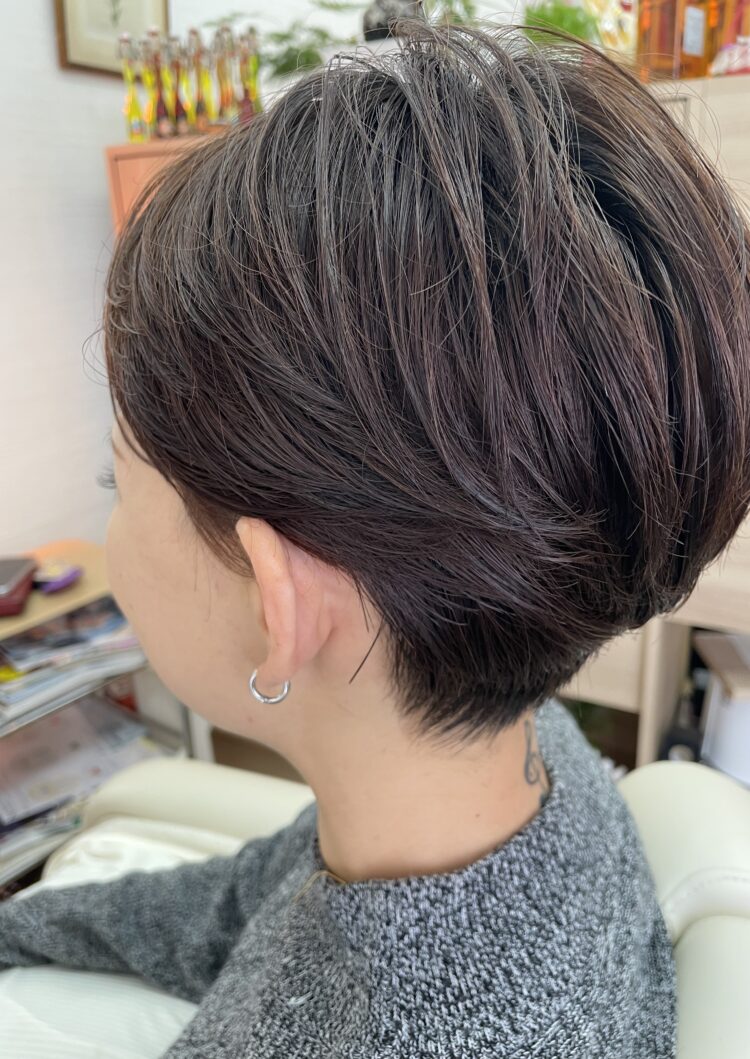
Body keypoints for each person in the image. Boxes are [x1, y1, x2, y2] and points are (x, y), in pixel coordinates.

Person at [2, 19, 750, 1059]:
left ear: (277, 604)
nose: (108, 529)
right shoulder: (525, 763)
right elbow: (245, 901)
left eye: (115, 481)